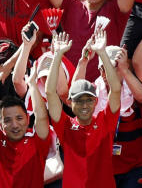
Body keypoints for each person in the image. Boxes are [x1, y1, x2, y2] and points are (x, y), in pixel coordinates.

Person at [45, 30, 122, 187]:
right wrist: (58, 55)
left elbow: (115, 90)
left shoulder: (105, 121)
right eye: (79, 100)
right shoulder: (65, 125)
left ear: (96, 102)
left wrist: (102, 53)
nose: (84, 105)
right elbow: (50, 92)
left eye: (88, 100)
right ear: (70, 102)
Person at [0, 57, 52, 188]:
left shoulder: (37, 142)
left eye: (19, 118)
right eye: (7, 120)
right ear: (0, 124)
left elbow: (42, 117)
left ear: (28, 119)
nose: (15, 125)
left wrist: (33, 85)